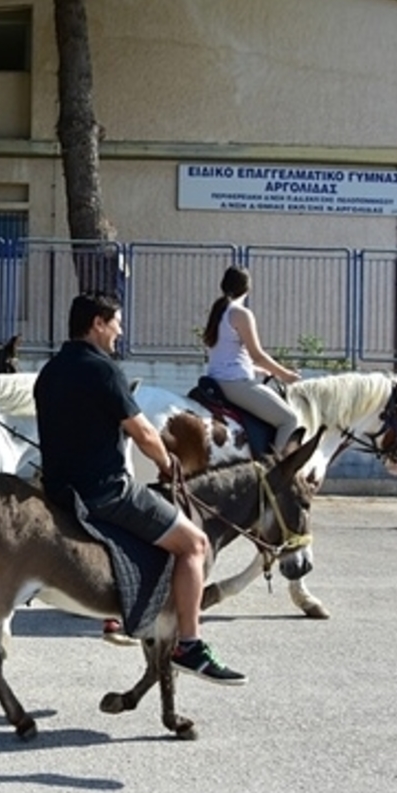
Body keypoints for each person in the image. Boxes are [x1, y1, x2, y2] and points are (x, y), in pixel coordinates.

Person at [33, 293, 246, 685]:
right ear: (97, 323)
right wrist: (169, 464)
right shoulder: (103, 370)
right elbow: (144, 433)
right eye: (116, 322)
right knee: (195, 543)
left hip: (59, 490)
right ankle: (189, 645)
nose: (120, 330)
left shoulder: (50, 371)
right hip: (106, 492)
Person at [203, 265, 302, 453]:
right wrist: (285, 375)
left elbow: (227, 354)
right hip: (234, 384)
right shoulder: (241, 314)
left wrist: (258, 370)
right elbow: (257, 355)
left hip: (215, 380)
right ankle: (275, 474)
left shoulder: (218, 311)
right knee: (289, 420)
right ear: (248, 289)